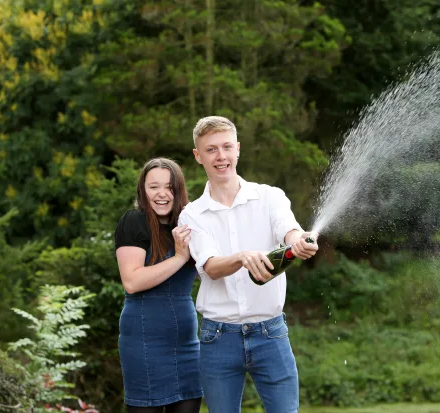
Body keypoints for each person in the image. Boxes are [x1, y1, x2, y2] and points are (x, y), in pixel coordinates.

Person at [178, 116, 319, 413]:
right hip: (218, 338)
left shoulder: (270, 197)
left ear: (238, 149)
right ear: (198, 156)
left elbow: (288, 229)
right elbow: (211, 267)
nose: (221, 156)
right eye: (211, 149)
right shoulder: (192, 215)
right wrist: (242, 256)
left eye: (227, 147)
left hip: (271, 334)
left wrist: (300, 239)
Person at [115, 158, 203, 413]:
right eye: (154, 187)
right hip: (144, 340)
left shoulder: (189, 227)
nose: (162, 194)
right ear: (143, 190)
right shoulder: (134, 221)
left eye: (170, 187)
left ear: (179, 191)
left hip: (186, 341)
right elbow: (132, 282)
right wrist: (178, 258)